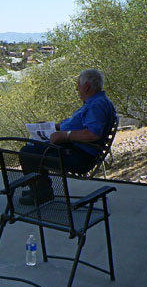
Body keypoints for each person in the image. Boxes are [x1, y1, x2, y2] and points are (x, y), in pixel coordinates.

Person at [19, 69, 117, 205]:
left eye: (78, 84)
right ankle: (39, 189)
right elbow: (79, 125)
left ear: (87, 86)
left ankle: (42, 194)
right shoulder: (97, 102)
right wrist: (53, 126)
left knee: (27, 153)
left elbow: (93, 133)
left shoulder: (97, 105)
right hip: (73, 150)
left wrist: (65, 135)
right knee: (34, 146)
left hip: (78, 157)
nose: (77, 88)